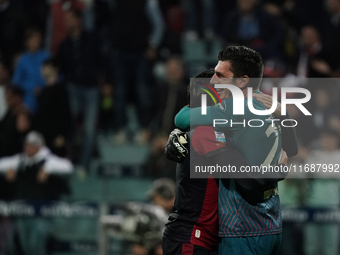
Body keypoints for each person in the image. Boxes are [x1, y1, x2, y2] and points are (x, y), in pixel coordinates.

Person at [174, 46, 298, 255]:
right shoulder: (269, 105)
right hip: (272, 223)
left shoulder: (233, 107)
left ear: (242, 81)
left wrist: (193, 103)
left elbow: (181, 119)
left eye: (221, 75)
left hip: (242, 228)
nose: (213, 81)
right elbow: (292, 149)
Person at [0, 131, 73, 255]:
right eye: (27, 144)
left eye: (32, 145)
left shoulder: (48, 160)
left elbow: (68, 167)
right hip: (22, 210)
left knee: (36, 246)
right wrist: (7, 173)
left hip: (41, 212)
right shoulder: (21, 160)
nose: (29, 147)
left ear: (40, 146)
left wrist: (47, 170)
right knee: (25, 246)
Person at [108, 0, 164, 145]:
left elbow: (159, 25)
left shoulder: (148, 2)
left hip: (141, 54)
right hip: (120, 52)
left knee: (142, 92)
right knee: (119, 93)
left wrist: (153, 45)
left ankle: (144, 129)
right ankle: (121, 129)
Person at [57, 8, 103, 173]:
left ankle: (83, 165)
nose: (67, 22)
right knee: (68, 126)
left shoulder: (91, 39)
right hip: (73, 88)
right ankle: (67, 162)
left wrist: (105, 82)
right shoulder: (64, 44)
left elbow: (101, 60)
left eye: (70, 18)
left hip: (91, 88)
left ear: (79, 20)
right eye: (66, 19)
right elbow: (60, 68)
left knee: (89, 130)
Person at [35, 59, 71, 157]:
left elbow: (66, 115)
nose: (43, 69)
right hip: (43, 139)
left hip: (56, 139)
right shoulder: (42, 92)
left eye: (46, 67)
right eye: (43, 67)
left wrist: (62, 135)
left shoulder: (60, 91)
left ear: (55, 70)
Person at [12, 28, 50, 112]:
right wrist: (31, 88)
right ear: (27, 41)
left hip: (47, 98)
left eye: (38, 38)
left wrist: (45, 88)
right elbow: (16, 82)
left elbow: (57, 77)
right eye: (33, 39)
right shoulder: (22, 60)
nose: (36, 41)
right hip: (29, 101)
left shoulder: (47, 57)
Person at [0, 86, 31, 158]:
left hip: (14, 155)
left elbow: (22, 128)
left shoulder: (23, 113)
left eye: (10, 97)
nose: (7, 99)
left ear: (18, 98)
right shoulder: (9, 113)